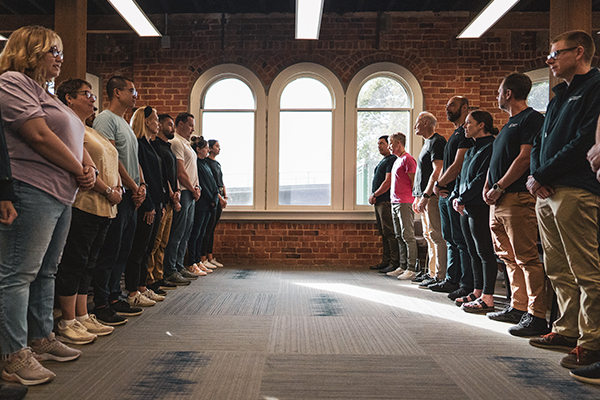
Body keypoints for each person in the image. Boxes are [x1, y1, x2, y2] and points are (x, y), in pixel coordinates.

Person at [0, 25, 94, 385]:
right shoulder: (12, 82)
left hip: (60, 192)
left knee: (46, 272)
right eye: (53, 51)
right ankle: (13, 354)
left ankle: (40, 339)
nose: (60, 58)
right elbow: (38, 135)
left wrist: (88, 167)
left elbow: (73, 133)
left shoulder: (47, 93)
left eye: (61, 52)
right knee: (17, 273)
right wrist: (79, 169)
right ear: (31, 51)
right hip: (32, 187)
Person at [528, 30, 600, 370]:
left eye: (556, 52)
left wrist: (543, 175)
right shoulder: (557, 96)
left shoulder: (595, 88)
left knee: (585, 270)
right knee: (557, 268)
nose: (549, 58)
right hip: (546, 191)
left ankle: (592, 340)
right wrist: (534, 175)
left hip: (575, 188)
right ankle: (566, 329)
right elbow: (540, 140)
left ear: (579, 52)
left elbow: (583, 141)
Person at [54, 78, 121, 343]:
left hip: (104, 207)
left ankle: (82, 316)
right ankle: (67, 321)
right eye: (86, 94)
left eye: (92, 94)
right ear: (69, 98)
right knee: (75, 262)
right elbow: (84, 168)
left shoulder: (92, 130)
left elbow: (105, 163)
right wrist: (108, 190)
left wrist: (118, 190)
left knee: (88, 265)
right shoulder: (71, 127)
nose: (92, 98)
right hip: (84, 204)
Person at [483, 73, 549, 337]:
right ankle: (518, 306)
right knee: (508, 258)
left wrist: (499, 187)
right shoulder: (508, 124)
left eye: (499, 91)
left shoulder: (531, 119)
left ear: (508, 93)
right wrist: (487, 188)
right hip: (497, 202)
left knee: (526, 258)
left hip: (517, 198)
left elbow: (524, 159)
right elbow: (496, 161)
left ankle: (536, 314)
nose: (497, 95)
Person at [92, 76, 146, 323]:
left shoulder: (124, 122)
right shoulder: (105, 119)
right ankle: (101, 301)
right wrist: (133, 186)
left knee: (123, 249)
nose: (135, 95)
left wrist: (141, 184)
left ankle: (115, 295)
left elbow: (133, 159)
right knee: (110, 250)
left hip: (131, 194)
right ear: (117, 92)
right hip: (118, 194)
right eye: (131, 91)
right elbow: (112, 158)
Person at [123, 106, 170, 308]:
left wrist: (161, 202)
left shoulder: (151, 145)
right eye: (155, 119)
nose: (158, 123)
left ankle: (142, 286)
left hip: (157, 201)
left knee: (148, 247)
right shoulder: (140, 144)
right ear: (145, 121)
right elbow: (143, 176)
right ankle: (133, 290)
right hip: (146, 202)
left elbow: (158, 176)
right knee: (139, 248)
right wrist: (150, 203)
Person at [450, 110, 497, 313]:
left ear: (481, 125)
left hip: (479, 205)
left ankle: (488, 296)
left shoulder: (491, 147)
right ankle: (477, 291)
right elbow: (461, 177)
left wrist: (463, 198)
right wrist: (455, 196)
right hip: (465, 207)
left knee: (484, 252)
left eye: (468, 123)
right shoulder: (470, 149)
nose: (464, 126)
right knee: (471, 251)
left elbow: (481, 179)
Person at [432, 96, 474, 299]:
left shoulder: (466, 134)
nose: (447, 109)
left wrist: (439, 183)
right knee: (450, 238)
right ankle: (451, 279)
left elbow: (458, 165)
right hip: (446, 195)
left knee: (461, 240)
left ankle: (466, 284)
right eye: (447, 105)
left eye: (452, 106)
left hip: (456, 194)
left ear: (464, 107)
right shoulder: (456, 133)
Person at [163, 112, 202, 284]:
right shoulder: (176, 142)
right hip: (184, 191)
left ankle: (179, 266)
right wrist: (192, 189)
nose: (193, 128)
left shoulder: (187, 144)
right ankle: (170, 269)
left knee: (186, 231)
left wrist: (197, 187)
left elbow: (193, 170)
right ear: (180, 124)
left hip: (191, 191)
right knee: (177, 232)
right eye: (190, 124)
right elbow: (180, 172)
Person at [410, 112, 447, 286]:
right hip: (422, 196)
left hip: (430, 197)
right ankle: (432, 273)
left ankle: (440, 275)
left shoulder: (437, 142)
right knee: (428, 235)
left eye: (417, 122)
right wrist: (417, 196)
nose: (415, 126)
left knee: (436, 236)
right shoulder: (427, 143)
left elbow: (437, 170)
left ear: (425, 123)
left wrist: (426, 195)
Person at [147, 114, 181, 292]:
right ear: (159, 125)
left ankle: (159, 276)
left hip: (170, 200)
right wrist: (171, 192)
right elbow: (161, 176)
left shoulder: (168, 147)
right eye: (169, 124)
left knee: (163, 242)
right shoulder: (156, 147)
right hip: (162, 198)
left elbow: (171, 174)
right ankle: (150, 279)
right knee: (155, 242)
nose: (172, 128)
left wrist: (175, 194)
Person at [388, 132, 417, 280]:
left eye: (391, 143)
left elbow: (414, 182)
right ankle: (403, 265)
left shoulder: (408, 159)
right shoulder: (397, 160)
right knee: (399, 235)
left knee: (408, 236)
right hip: (395, 202)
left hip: (405, 202)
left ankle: (411, 268)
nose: (389, 146)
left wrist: (414, 200)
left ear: (399, 143)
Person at [188, 136, 219, 273]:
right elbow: (202, 185)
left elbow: (212, 183)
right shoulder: (197, 163)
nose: (208, 150)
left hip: (209, 204)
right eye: (205, 148)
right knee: (196, 233)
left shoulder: (206, 163)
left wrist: (215, 197)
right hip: (202, 203)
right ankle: (192, 262)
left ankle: (198, 260)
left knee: (202, 233)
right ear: (198, 149)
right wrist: (210, 198)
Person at [367, 135, 399, 273]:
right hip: (380, 202)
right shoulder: (384, 160)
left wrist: (375, 194)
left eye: (382, 143)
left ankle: (394, 262)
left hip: (385, 201)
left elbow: (388, 182)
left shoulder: (392, 159)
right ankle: (385, 261)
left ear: (389, 145)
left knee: (390, 232)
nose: (379, 146)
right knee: (384, 233)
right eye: (378, 144)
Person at [202, 139, 227, 268]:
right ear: (210, 148)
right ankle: (203, 258)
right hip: (213, 198)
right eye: (217, 146)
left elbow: (221, 181)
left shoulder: (217, 164)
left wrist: (225, 196)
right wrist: (219, 198)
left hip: (220, 198)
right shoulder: (207, 163)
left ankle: (210, 257)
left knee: (212, 229)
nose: (219, 149)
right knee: (207, 229)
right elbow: (211, 184)